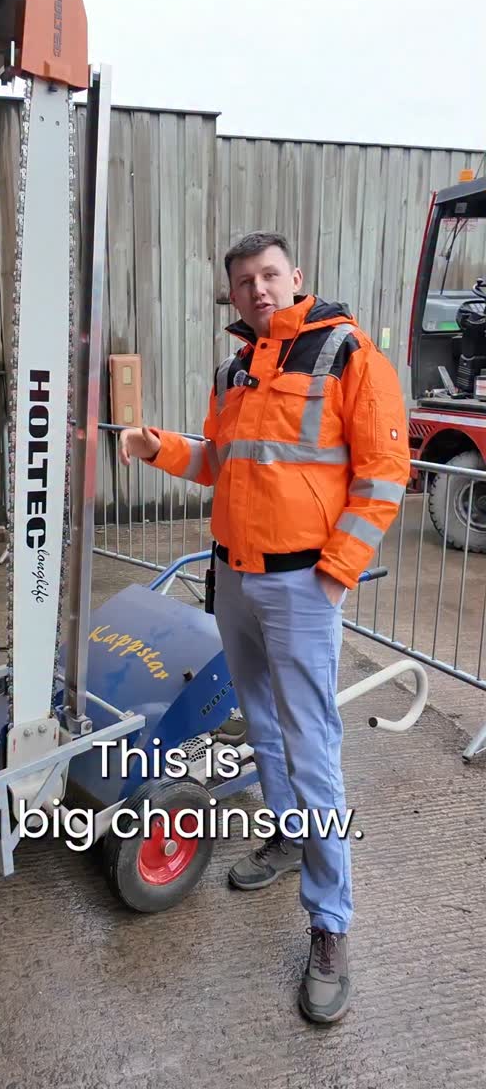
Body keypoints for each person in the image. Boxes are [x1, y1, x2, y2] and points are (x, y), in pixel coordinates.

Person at [118, 231, 411, 1025]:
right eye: (244, 280)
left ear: (296, 277)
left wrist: (334, 571)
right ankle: (288, 841)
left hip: (301, 585)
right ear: (233, 293)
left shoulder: (348, 355)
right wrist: (159, 447)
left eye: (269, 274)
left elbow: (386, 473)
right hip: (235, 578)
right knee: (267, 729)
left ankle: (331, 924)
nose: (258, 289)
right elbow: (221, 461)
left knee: (312, 749)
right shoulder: (235, 369)